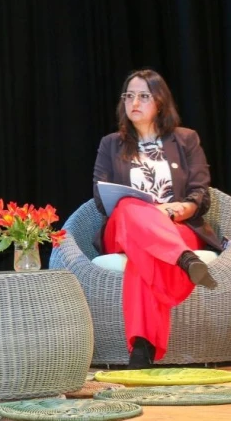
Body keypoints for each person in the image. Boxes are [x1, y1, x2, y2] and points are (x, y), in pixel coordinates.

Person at [92, 69, 222, 369]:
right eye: (129, 95)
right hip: (123, 228)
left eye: (143, 96)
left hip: (175, 226)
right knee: (127, 205)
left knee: (143, 259)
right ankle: (185, 260)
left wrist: (176, 210)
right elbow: (101, 198)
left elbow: (200, 194)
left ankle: (141, 349)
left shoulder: (186, 139)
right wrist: (145, 210)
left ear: (160, 102)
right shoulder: (110, 143)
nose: (134, 102)